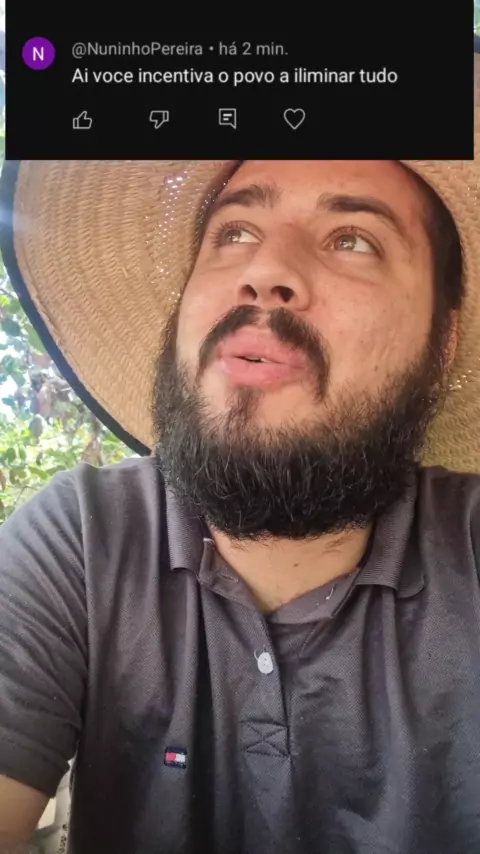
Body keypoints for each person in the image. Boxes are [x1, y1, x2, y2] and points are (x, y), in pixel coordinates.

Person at [0, 141, 480, 852]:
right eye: (236, 232)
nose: (265, 270)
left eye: (352, 239)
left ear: (443, 343)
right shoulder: (81, 540)